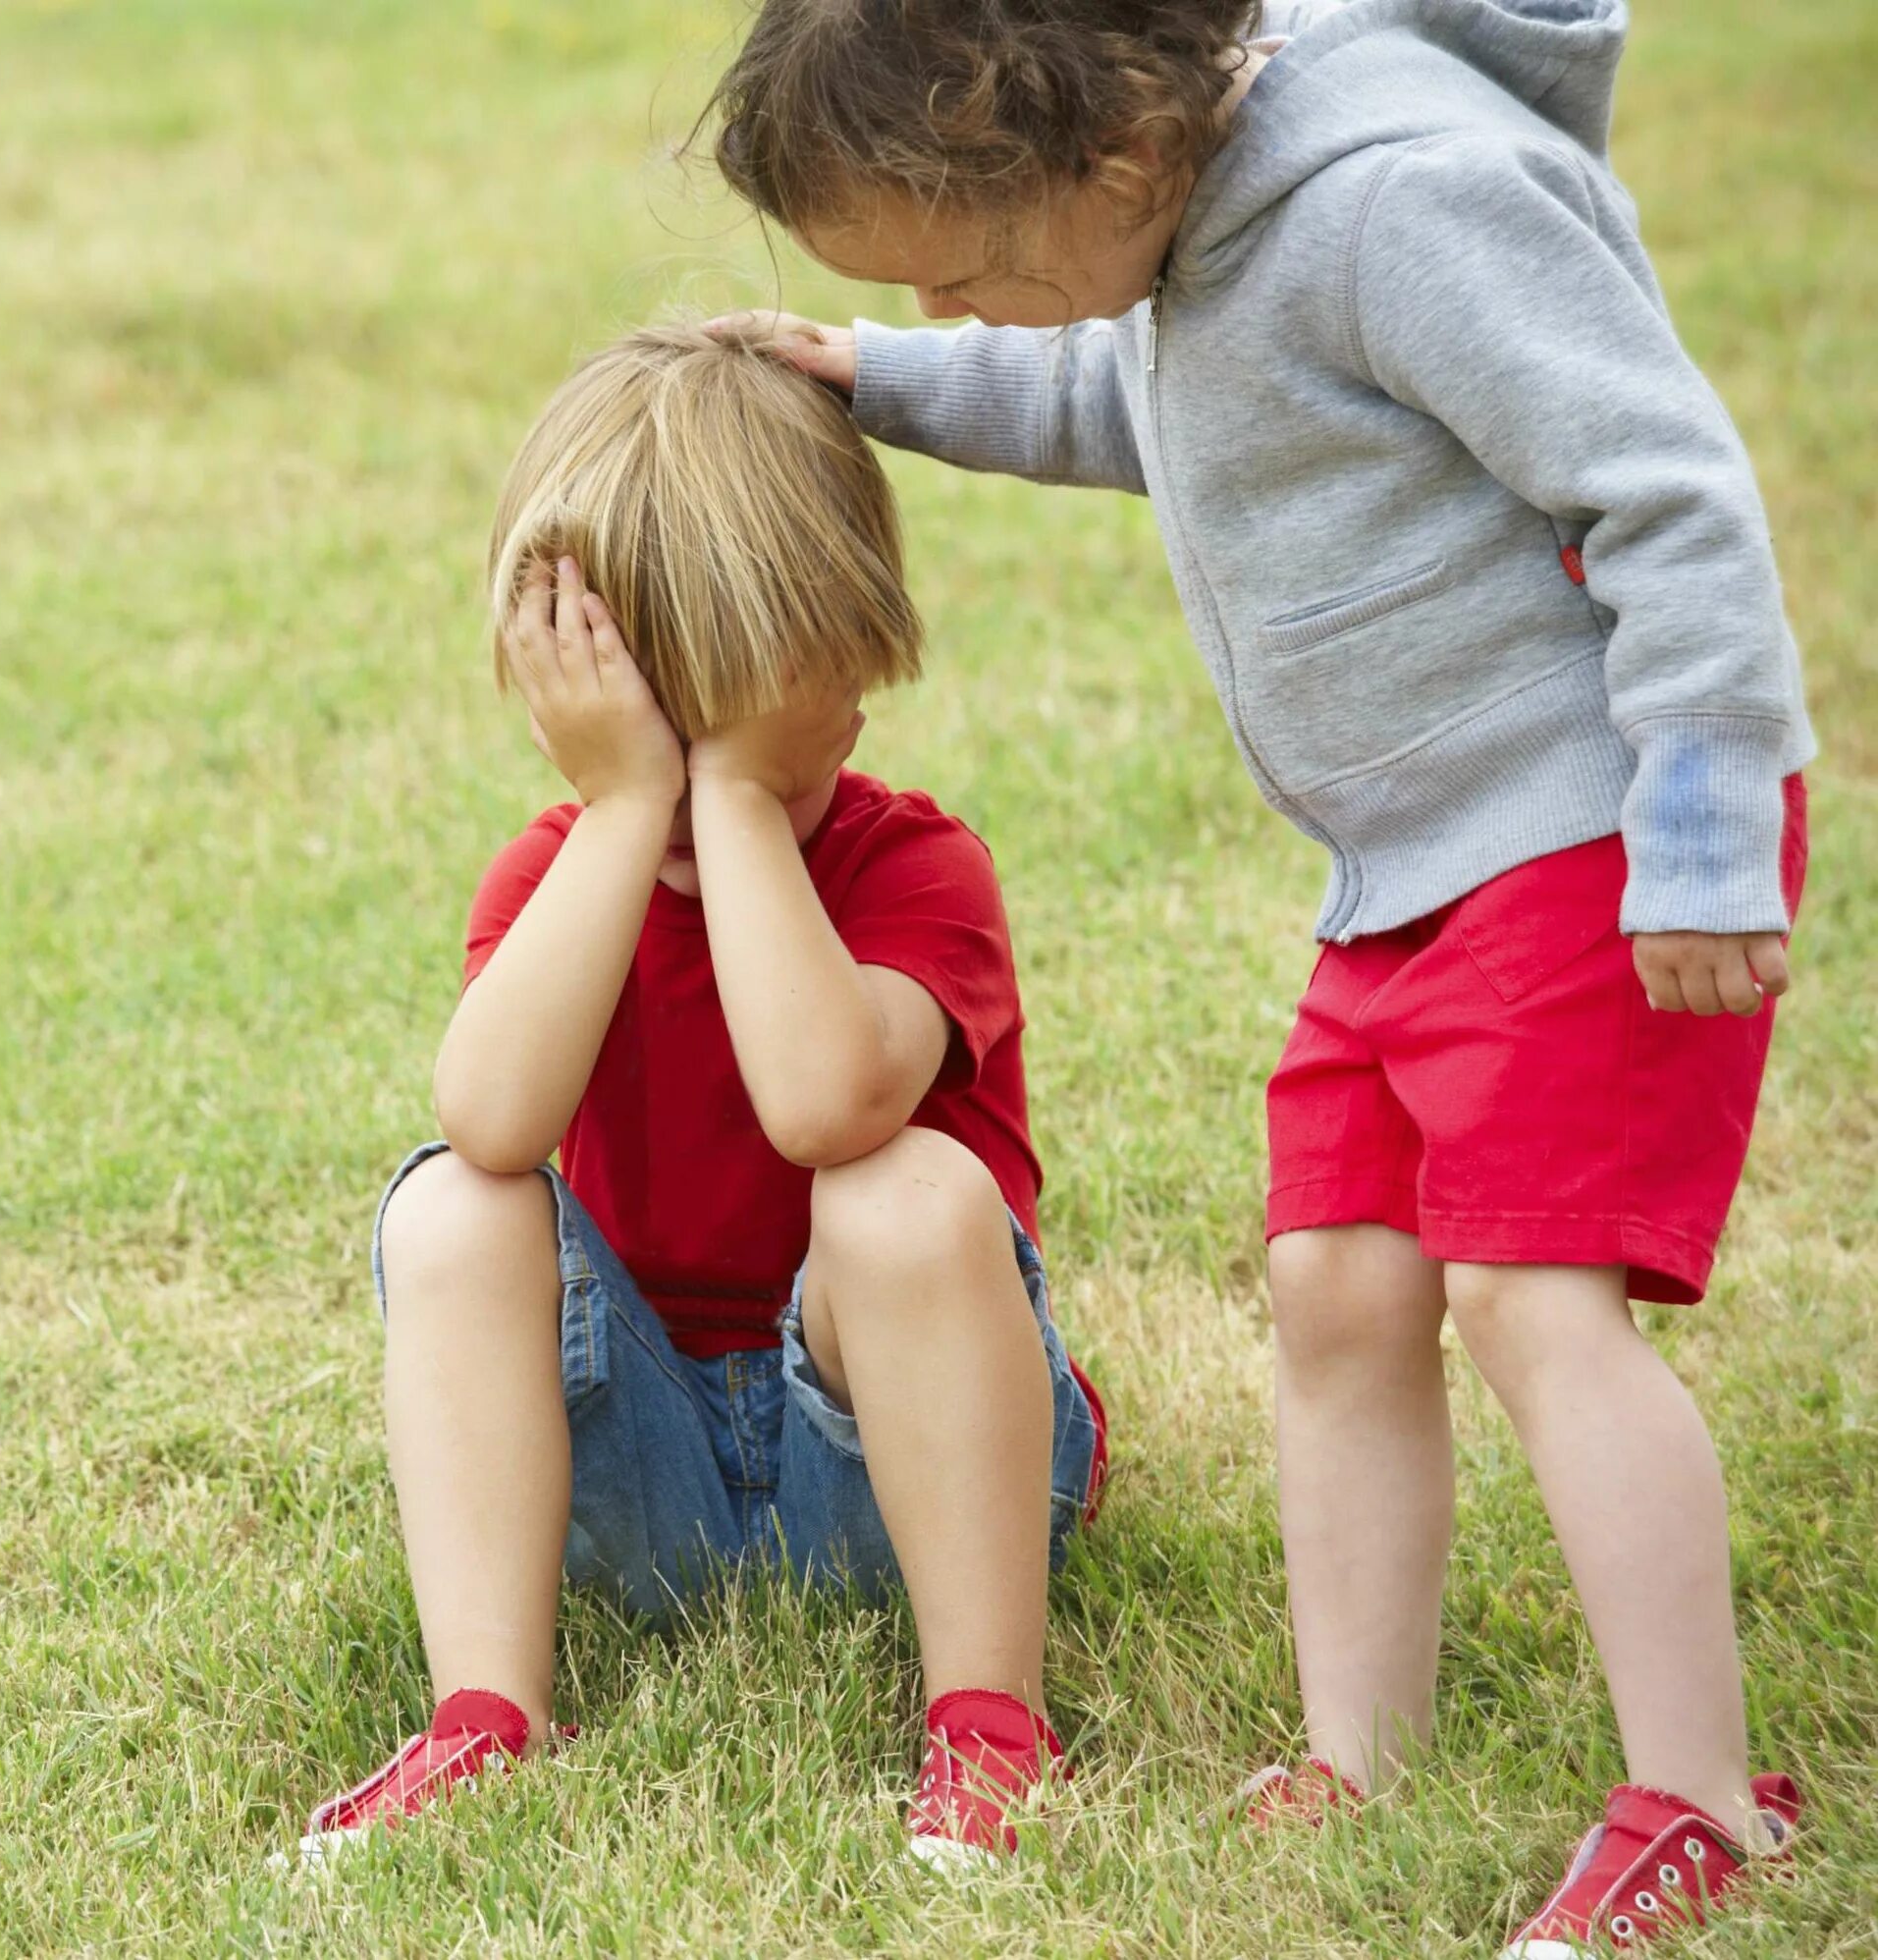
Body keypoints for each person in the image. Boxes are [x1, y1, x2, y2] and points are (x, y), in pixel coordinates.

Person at [696, 1, 1810, 1948]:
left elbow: (1673, 489)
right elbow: (1120, 390)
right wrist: (872, 371)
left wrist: (1706, 832)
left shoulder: (1407, 206)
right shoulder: (1182, 226)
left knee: (1531, 1298)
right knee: (1334, 1282)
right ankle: (1359, 1747)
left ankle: (1700, 1794)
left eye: (967, 271)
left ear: (1112, 161)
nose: (975, 307)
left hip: (1594, 836)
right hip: (1409, 872)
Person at [296, 322, 1106, 1871]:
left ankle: (990, 1724)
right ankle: (484, 1713)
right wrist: (628, 810)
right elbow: (492, 1123)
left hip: (903, 1475)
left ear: (845, 691)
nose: (685, 776)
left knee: (905, 1185)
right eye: (646, 732)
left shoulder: (916, 870)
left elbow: (823, 1104)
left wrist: (732, 800)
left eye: (736, 732)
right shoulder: (558, 875)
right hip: (630, 1483)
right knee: (451, 1204)